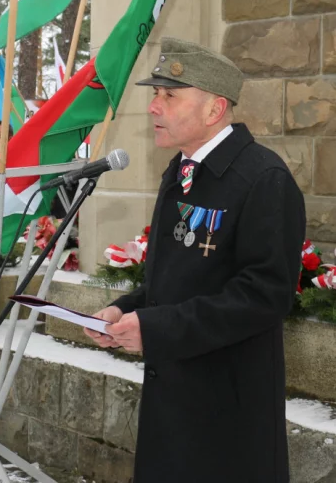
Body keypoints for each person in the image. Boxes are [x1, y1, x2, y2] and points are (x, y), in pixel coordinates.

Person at [83, 37, 305, 483]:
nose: (154, 107)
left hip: (227, 407)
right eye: (155, 94)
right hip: (174, 392)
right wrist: (127, 310)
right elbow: (177, 278)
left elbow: (264, 296)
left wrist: (157, 328)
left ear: (214, 109)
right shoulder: (182, 172)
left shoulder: (263, 180)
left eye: (169, 95)